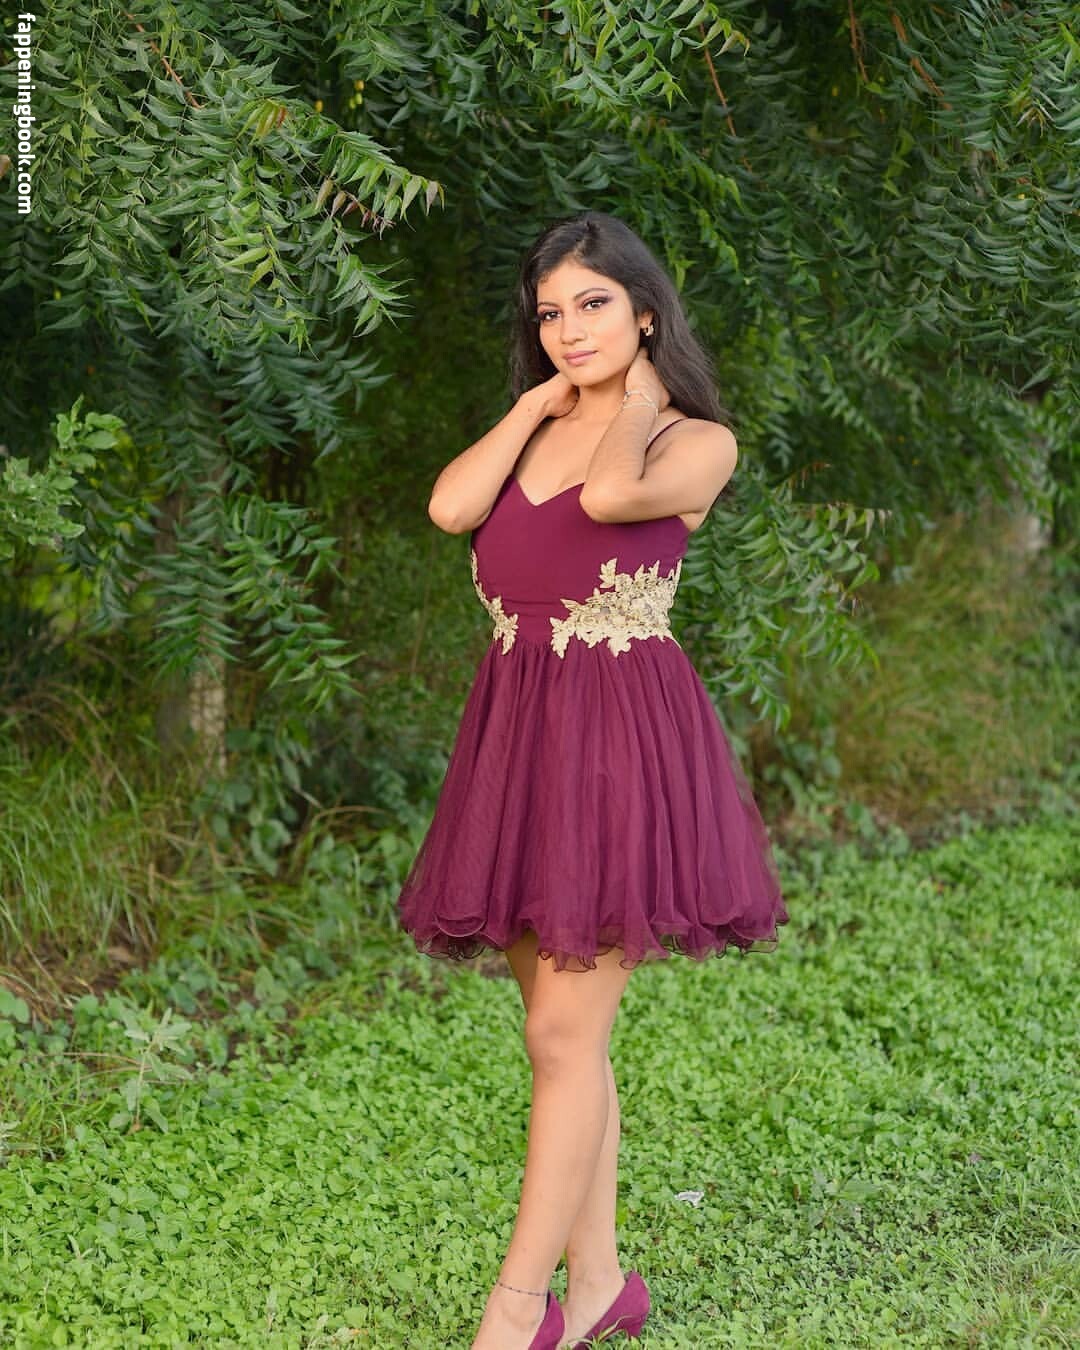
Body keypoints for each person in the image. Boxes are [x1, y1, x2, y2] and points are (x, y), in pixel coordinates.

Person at [397, 212, 789, 1350]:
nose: (568, 329)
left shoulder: (694, 442)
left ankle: (519, 1311)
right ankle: (606, 1285)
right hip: (519, 740)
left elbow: (614, 502)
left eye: (594, 305)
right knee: (561, 1036)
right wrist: (536, 406)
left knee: (564, 1042)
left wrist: (636, 402)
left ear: (646, 313)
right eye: (550, 313)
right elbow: (451, 508)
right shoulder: (537, 423)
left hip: (620, 741)